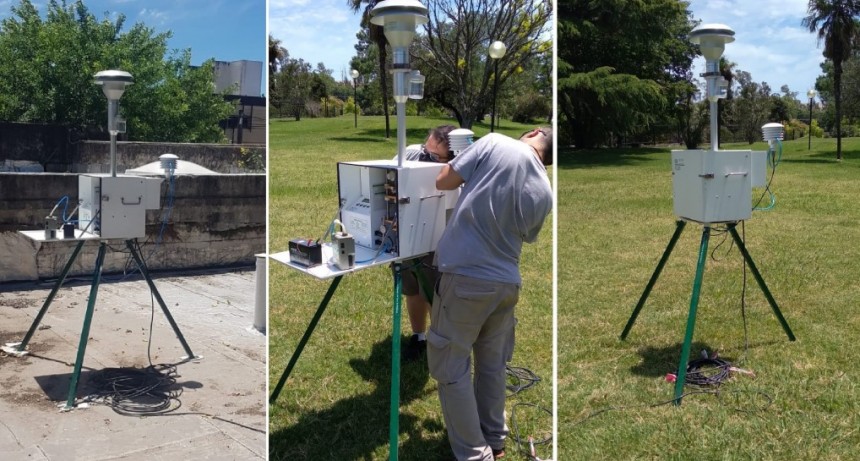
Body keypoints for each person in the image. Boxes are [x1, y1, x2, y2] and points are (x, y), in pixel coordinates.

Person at [428, 128, 553, 460]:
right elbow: (526, 234)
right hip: (506, 284)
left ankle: (475, 454)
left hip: (465, 278)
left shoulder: (495, 142)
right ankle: (494, 440)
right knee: (493, 365)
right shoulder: (545, 190)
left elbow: (443, 181)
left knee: (451, 366)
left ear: (534, 132)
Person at [394, 125, 457, 362]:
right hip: (406, 238)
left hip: (436, 241)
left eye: (434, 156)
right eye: (425, 150)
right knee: (412, 290)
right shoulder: (411, 152)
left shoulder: (459, 171)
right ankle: (418, 337)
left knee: (433, 295)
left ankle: (439, 343)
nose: (424, 157)